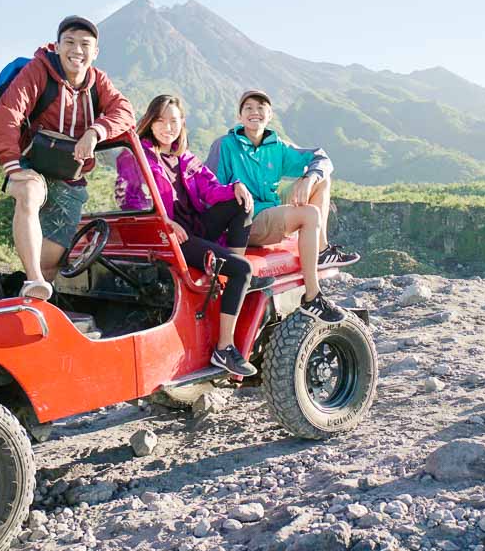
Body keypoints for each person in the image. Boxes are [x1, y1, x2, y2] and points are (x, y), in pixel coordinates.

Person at [116, 95, 269, 376]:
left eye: (173, 120)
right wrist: (163, 223)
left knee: (239, 200)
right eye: (161, 120)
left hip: (194, 230)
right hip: (167, 238)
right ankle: (224, 348)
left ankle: (228, 274)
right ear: (150, 122)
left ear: (182, 123)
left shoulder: (183, 157)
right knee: (243, 269)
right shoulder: (134, 156)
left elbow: (211, 188)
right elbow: (130, 202)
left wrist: (236, 186)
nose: (167, 127)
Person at [0, 16, 135, 300]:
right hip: (30, 164)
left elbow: (125, 111)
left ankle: (32, 300)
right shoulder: (39, 70)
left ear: (95, 52)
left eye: (84, 44)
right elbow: (5, 116)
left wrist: (95, 131)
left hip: (68, 173)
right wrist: (13, 166)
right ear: (57, 46)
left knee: (51, 261)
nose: (77, 50)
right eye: (69, 42)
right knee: (29, 192)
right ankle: (32, 281)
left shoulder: (98, 81)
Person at [206, 89, 359, 323]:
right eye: (248, 108)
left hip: (273, 209)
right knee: (309, 214)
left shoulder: (277, 147)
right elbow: (210, 188)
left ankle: (322, 250)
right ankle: (312, 296)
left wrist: (308, 180)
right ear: (239, 116)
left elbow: (321, 158)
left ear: (270, 115)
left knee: (322, 178)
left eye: (260, 108)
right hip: (247, 221)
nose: (254, 112)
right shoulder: (225, 146)